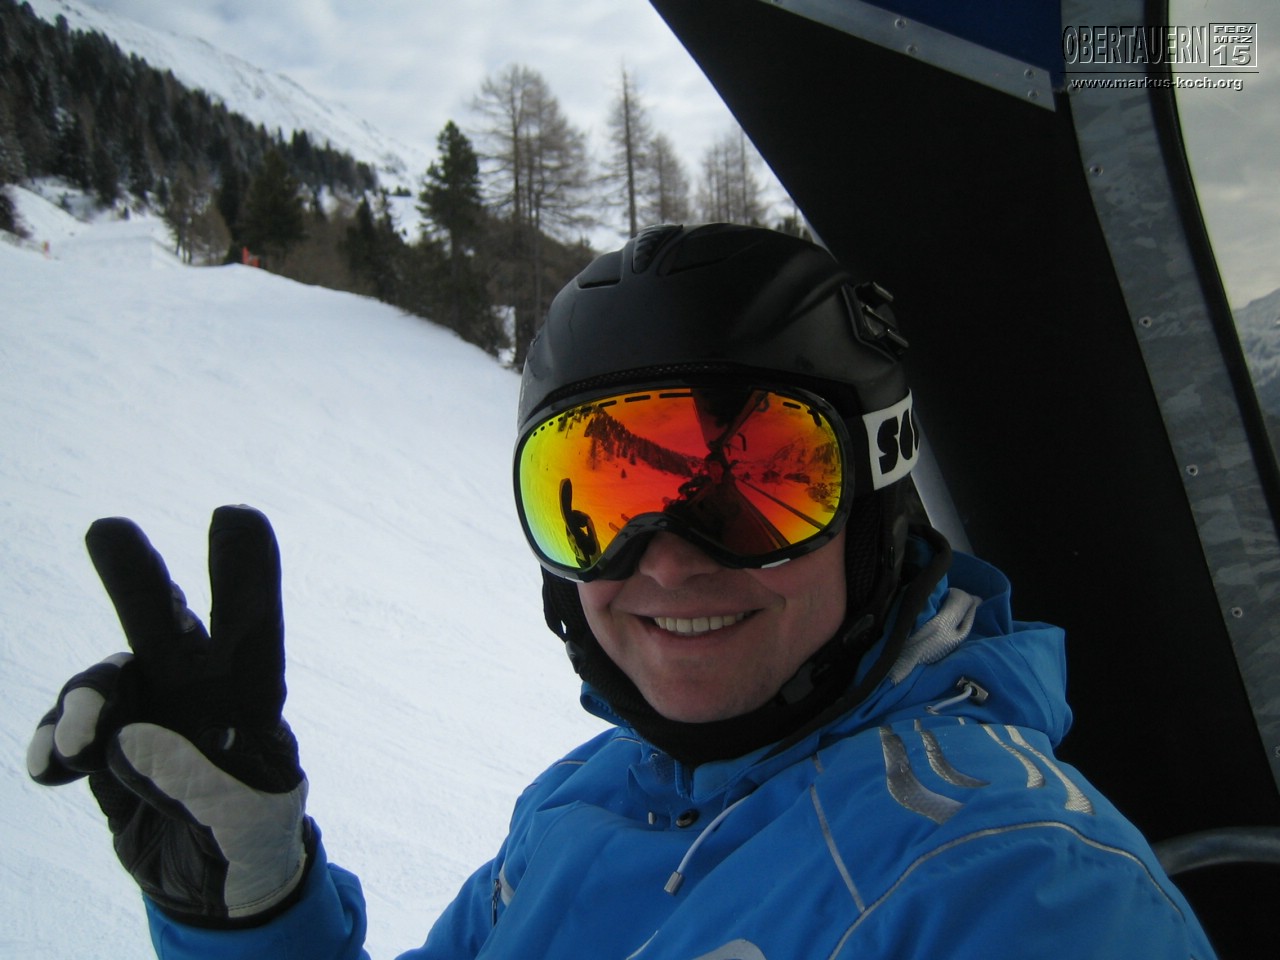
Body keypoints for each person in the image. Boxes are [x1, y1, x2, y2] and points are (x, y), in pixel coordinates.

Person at [28, 223, 1216, 959]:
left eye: (757, 482)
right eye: (594, 497)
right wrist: (250, 915)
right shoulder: (587, 801)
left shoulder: (1017, 889)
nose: (665, 559)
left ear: (877, 495)